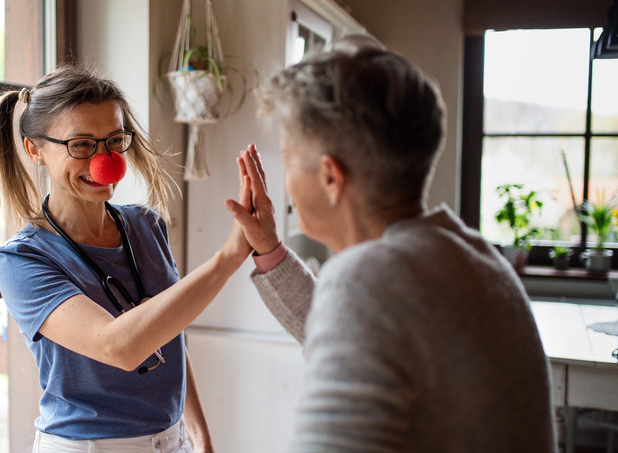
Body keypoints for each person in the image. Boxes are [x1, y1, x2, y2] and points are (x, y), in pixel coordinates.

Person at [224, 35, 556, 452]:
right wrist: (270, 249)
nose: (286, 183)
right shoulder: (472, 256)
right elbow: (360, 328)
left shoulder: (368, 281)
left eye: (289, 161)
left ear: (330, 177)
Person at [0, 65, 251, 453]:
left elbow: (167, 333)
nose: (105, 160)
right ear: (35, 150)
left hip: (171, 440)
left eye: (114, 140)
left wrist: (200, 435)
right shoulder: (22, 260)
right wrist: (230, 257)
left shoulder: (146, 225)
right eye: (81, 145)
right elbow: (120, 346)